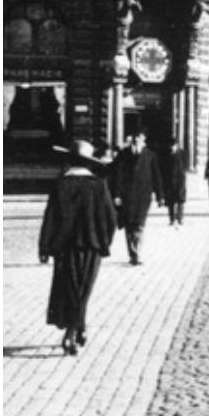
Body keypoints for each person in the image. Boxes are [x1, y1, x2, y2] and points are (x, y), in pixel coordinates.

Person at [40, 140, 116, 353]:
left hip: (65, 247)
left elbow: (50, 218)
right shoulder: (98, 185)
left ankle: (77, 329)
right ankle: (72, 333)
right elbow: (110, 218)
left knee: (71, 288)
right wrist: (104, 241)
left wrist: (45, 247)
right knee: (84, 289)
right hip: (91, 245)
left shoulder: (60, 184)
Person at [113, 130, 164, 264]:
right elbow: (117, 175)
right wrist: (117, 194)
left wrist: (160, 196)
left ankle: (137, 253)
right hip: (127, 196)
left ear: (144, 140)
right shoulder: (123, 154)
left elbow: (157, 176)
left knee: (140, 224)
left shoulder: (151, 156)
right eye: (135, 138)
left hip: (143, 196)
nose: (137, 140)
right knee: (129, 225)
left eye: (140, 138)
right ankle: (132, 253)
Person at [162, 137, 187, 226]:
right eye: (171, 146)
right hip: (169, 181)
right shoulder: (166, 154)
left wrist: (182, 177)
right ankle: (172, 219)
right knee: (170, 201)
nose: (172, 147)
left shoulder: (182, 153)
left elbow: (185, 166)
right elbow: (164, 167)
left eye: (173, 146)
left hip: (180, 180)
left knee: (180, 200)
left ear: (176, 145)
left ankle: (180, 218)